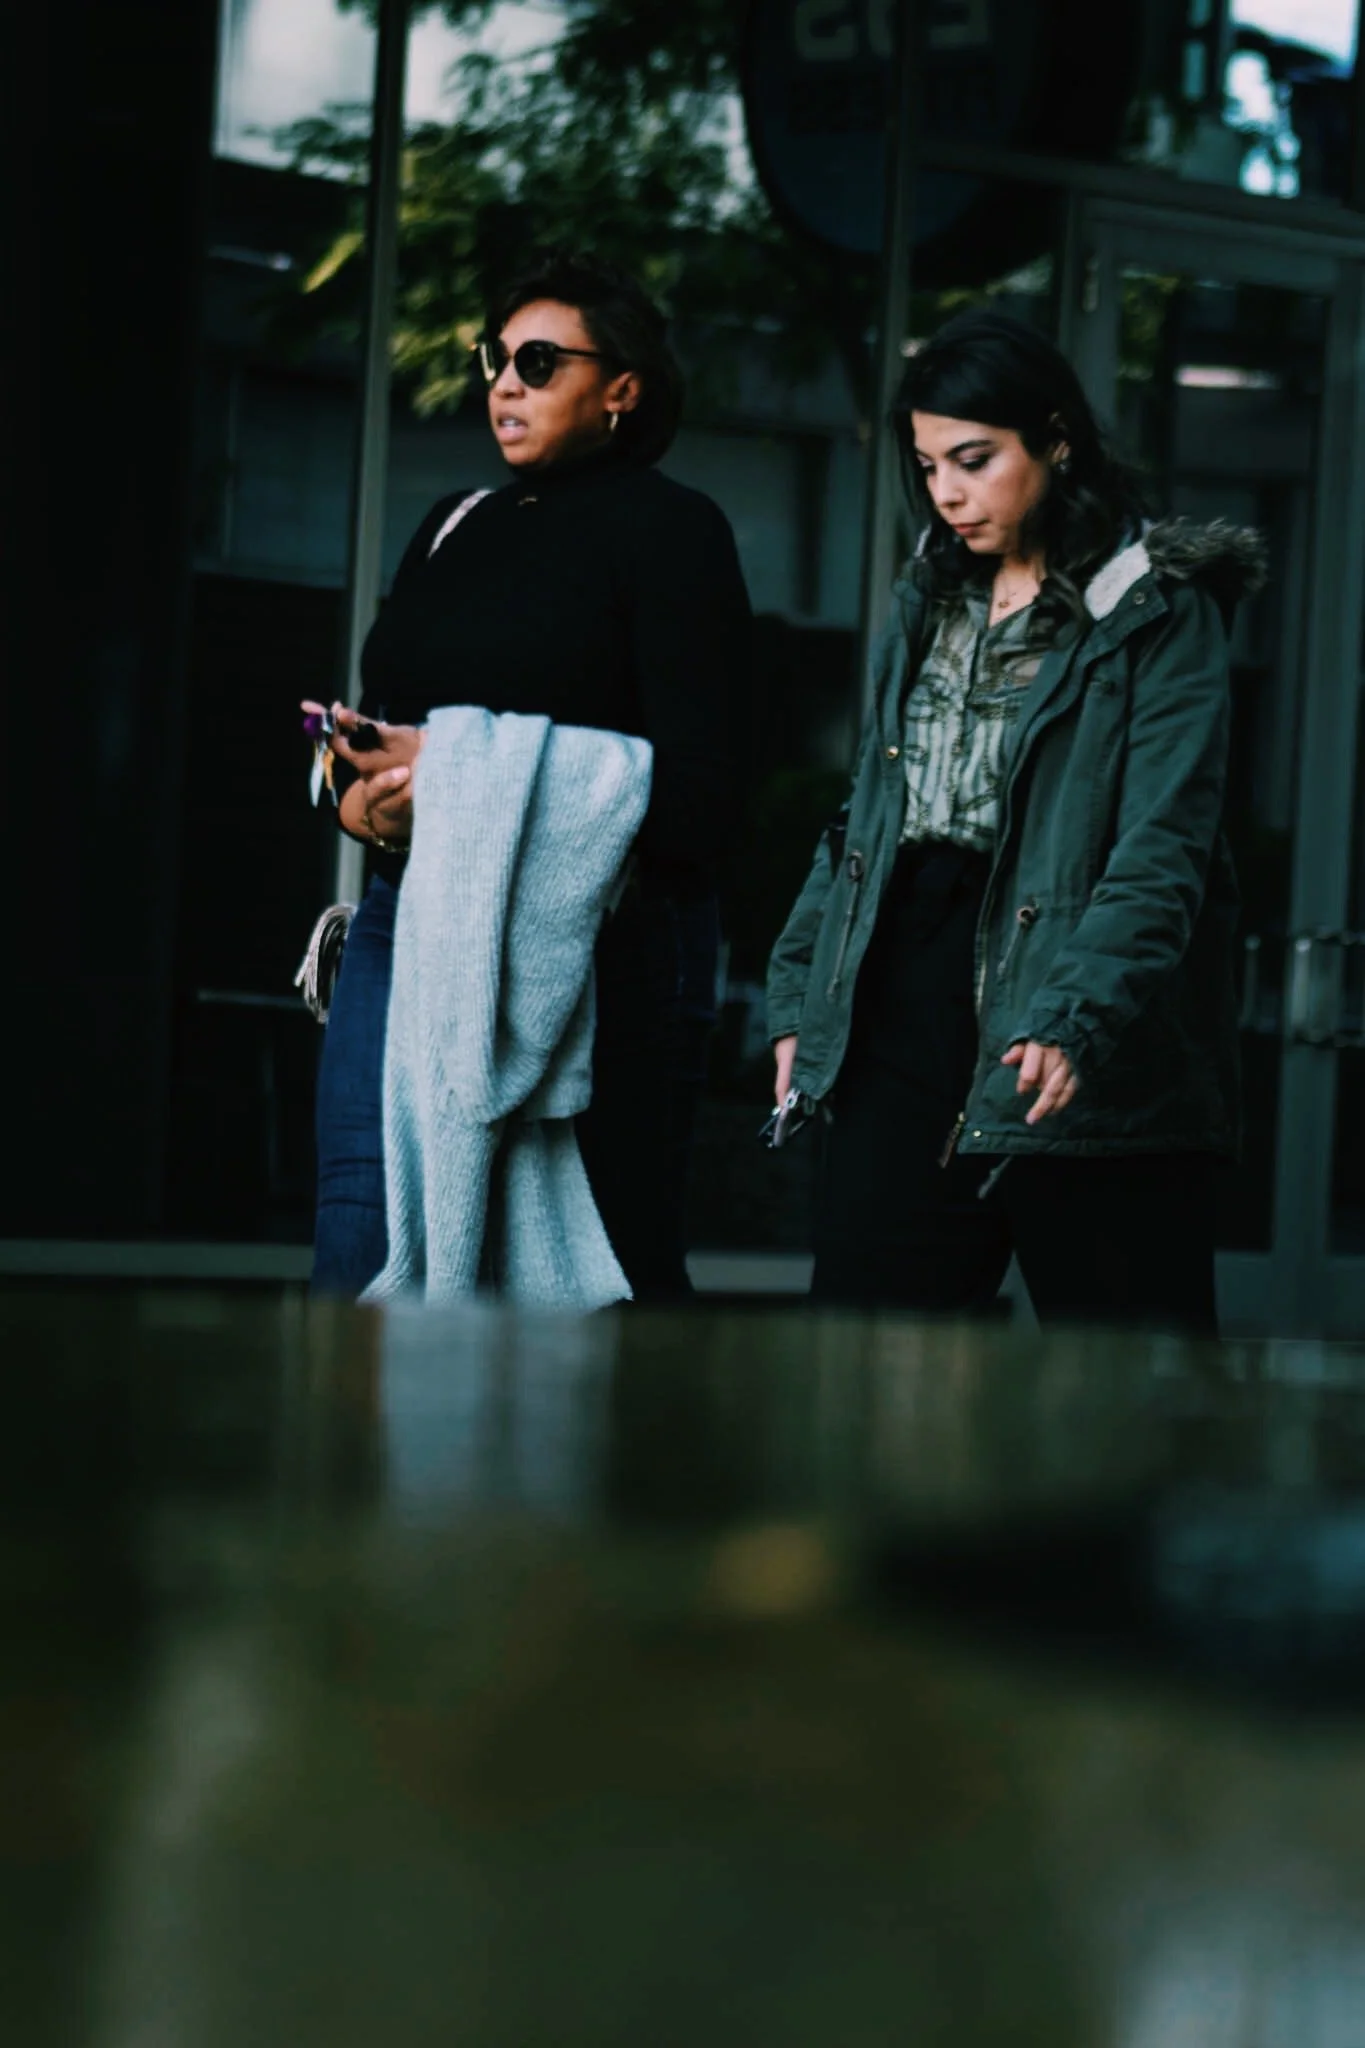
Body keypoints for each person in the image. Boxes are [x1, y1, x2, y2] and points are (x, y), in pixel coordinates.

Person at [766, 308, 1264, 1334]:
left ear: (1058, 439)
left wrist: (1072, 1014)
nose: (947, 491)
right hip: (904, 997)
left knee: (1122, 1397)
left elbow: (1161, 849)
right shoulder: (932, 596)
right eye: (929, 463)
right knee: (863, 1367)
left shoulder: (1158, 613)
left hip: (1079, 1007)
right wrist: (797, 999)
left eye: (975, 458)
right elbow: (867, 815)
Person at [312, 251, 752, 1301]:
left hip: (603, 940)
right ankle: (356, 1468)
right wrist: (357, 793)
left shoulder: (672, 528)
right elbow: (381, 730)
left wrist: (457, 775)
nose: (504, 382)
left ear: (622, 388)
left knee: (600, 1262)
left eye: (540, 361)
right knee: (361, 1237)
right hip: (405, 920)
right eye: (496, 358)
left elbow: (702, 794)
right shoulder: (451, 523)